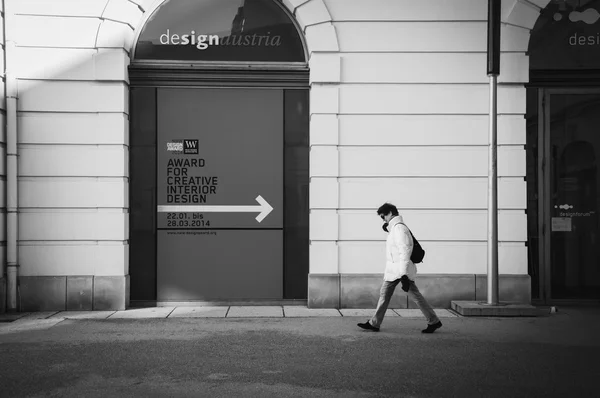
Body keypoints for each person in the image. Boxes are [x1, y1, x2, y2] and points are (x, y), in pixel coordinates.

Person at [357, 203, 442, 333]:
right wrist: (389, 228)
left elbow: (405, 251)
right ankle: (374, 323)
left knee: (415, 297)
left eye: (383, 216)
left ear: (390, 213)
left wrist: (403, 275)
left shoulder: (399, 229)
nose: (383, 219)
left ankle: (434, 321)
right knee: (384, 295)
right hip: (394, 271)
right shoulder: (395, 228)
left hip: (401, 271)